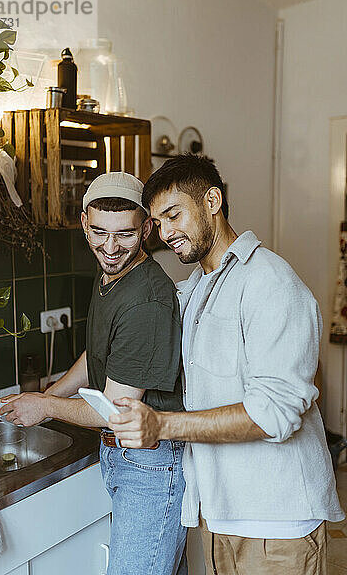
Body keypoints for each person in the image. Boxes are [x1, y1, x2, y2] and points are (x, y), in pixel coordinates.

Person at [108, 154, 345, 575]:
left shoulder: (269, 283)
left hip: (278, 523)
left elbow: (273, 414)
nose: (166, 232)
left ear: (212, 201)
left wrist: (161, 425)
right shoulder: (196, 288)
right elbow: (138, 325)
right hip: (219, 514)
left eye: (174, 215)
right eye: (158, 223)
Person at [0, 172, 188, 575]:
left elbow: (117, 411)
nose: (110, 247)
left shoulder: (147, 299)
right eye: (99, 232)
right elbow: (99, 351)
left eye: (125, 235)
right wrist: (57, 391)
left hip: (148, 465)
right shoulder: (111, 274)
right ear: (85, 221)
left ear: (148, 228)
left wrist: (46, 406)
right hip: (125, 456)